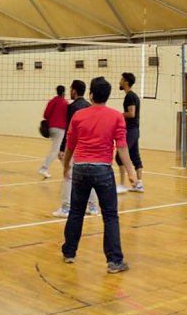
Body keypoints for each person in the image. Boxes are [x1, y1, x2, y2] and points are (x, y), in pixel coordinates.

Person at [61, 76, 137, 274]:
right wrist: (131, 173)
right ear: (108, 95)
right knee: (110, 215)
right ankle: (114, 261)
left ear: (91, 94)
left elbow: (70, 145)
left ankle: (69, 252)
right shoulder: (116, 116)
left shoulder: (78, 115)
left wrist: (66, 165)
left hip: (80, 168)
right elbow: (122, 147)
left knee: (76, 212)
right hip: (102, 169)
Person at [54, 80, 98, 218]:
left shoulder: (72, 107)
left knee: (68, 176)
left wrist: (62, 149)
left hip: (76, 148)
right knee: (89, 178)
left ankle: (65, 208)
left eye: (71, 89)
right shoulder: (90, 106)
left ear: (74, 90)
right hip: (89, 147)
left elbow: (69, 130)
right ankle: (93, 207)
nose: (70, 91)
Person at [115, 72, 144, 193]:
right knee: (135, 156)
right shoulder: (133, 96)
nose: (120, 81)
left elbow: (131, 113)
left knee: (119, 157)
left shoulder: (130, 96)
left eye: (122, 79)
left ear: (126, 82)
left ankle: (122, 185)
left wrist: (118, 115)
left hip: (131, 130)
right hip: (135, 130)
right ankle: (139, 185)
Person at [39, 85, 67, 179]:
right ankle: (44, 168)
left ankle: (67, 169)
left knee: (60, 150)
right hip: (60, 129)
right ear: (64, 92)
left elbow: (45, 115)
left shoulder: (52, 101)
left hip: (51, 128)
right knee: (55, 150)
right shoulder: (65, 103)